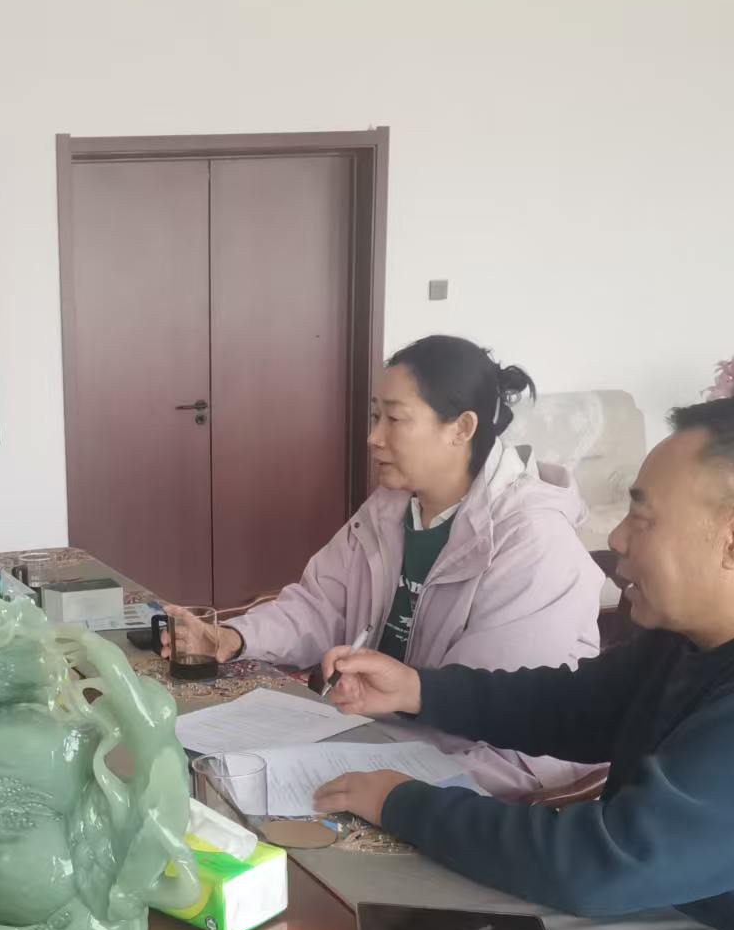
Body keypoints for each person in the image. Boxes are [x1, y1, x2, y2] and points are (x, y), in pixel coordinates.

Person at [315, 395, 734, 930]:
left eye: (643, 518)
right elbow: (579, 705)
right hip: (661, 927)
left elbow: (605, 861)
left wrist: (399, 802)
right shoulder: (705, 632)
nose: (618, 538)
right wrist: (418, 690)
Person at [164, 335, 605, 796]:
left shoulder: (532, 540)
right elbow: (320, 605)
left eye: (394, 419)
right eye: (376, 417)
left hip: (492, 762)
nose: (374, 437)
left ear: (461, 428)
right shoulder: (391, 507)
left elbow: (483, 704)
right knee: (208, 771)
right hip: (384, 736)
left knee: (264, 798)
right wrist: (235, 638)